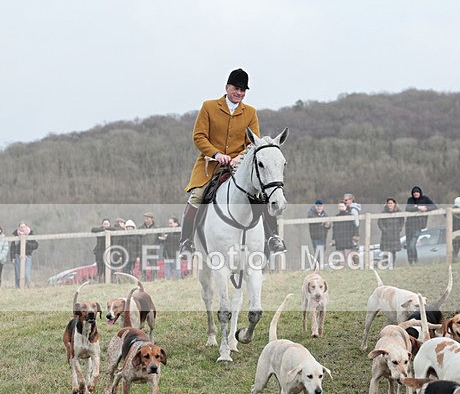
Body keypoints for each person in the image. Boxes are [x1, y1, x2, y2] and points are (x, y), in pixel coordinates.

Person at [179, 68, 286, 255]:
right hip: (210, 166)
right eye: (236, 88)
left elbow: (255, 142)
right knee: (197, 197)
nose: (239, 93)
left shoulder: (250, 112)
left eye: (243, 90)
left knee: (262, 194)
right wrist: (216, 153)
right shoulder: (209, 107)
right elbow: (199, 136)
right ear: (227, 87)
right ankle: (186, 241)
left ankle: (273, 237)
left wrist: (239, 157)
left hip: (239, 166)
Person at [404, 186, 437, 265]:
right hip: (409, 225)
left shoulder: (425, 199)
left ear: (420, 193)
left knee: (412, 244)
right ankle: (411, 262)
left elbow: (434, 207)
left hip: (418, 226)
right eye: (414, 192)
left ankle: (415, 261)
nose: (416, 193)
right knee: (409, 245)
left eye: (417, 192)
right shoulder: (410, 200)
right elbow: (408, 208)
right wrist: (418, 207)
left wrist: (426, 208)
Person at [10, 222, 38, 288]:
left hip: (28, 256)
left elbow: (35, 246)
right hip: (17, 256)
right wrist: (12, 257)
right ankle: (18, 288)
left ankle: (30, 286)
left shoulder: (31, 234)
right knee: (18, 274)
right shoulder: (15, 235)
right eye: (21, 227)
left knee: (26, 273)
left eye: (24, 227)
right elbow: (12, 247)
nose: (22, 228)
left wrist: (27, 243)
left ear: (26, 227)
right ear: (19, 228)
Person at [377, 198, 404, 268]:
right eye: (389, 203)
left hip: (395, 235)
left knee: (393, 251)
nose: (390, 205)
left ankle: (392, 265)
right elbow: (380, 222)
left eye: (391, 203)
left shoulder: (399, 212)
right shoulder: (383, 212)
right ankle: (386, 265)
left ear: (394, 204)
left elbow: (402, 221)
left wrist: (398, 229)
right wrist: (384, 230)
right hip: (386, 235)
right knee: (386, 251)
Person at [307, 200, 330, 266]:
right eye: (318, 206)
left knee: (322, 252)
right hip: (315, 237)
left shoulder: (324, 213)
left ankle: (317, 266)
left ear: (323, 206)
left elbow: (328, 224)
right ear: (315, 206)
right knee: (318, 253)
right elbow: (314, 220)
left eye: (320, 206)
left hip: (323, 237)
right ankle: (317, 267)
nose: (319, 207)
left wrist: (327, 225)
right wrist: (323, 222)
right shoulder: (311, 213)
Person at [91, 218, 115, 283]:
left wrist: (106, 230)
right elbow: (93, 229)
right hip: (99, 253)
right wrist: (104, 230)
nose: (105, 225)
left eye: (107, 224)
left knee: (107, 268)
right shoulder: (99, 230)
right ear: (102, 224)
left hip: (109, 253)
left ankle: (107, 281)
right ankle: (99, 281)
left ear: (109, 224)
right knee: (99, 269)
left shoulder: (112, 230)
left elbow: (115, 229)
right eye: (104, 224)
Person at [140, 212, 160, 281]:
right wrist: (140, 235)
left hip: (152, 251)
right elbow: (137, 239)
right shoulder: (140, 228)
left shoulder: (157, 228)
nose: (145, 220)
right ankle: (143, 280)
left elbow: (160, 238)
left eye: (147, 219)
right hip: (143, 251)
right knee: (143, 268)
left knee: (153, 267)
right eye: (145, 219)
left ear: (151, 219)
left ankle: (154, 280)